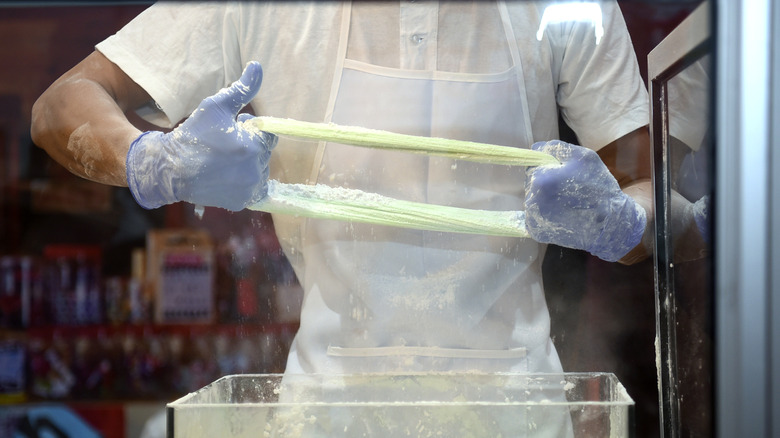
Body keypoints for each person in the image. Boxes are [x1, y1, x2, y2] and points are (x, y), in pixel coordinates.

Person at [32, 0, 652, 382]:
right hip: (330, 404)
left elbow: (652, 196)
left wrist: (625, 221)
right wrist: (156, 161)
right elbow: (62, 105)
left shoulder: (567, 9)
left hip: (517, 403)